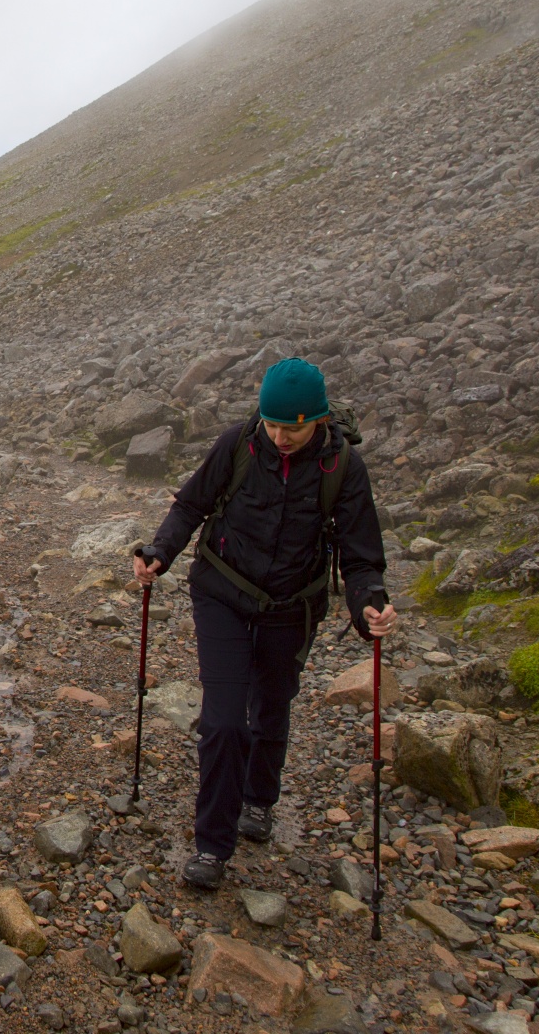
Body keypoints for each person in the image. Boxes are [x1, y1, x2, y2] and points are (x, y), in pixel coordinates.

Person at [132, 357, 396, 891]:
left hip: (293, 607)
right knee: (225, 720)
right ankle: (212, 845)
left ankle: (259, 798)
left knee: (271, 708)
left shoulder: (343, 466)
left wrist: (371, 606)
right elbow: (190, 505)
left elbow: (361, 555)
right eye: (272, 424)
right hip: (222, 593)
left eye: (292, 427)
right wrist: (159, 551)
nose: (280, 437)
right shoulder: (238, 443)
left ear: (318, 420)